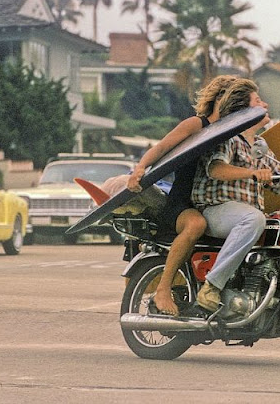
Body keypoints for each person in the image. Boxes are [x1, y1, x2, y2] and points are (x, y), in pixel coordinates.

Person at [102, 75, 238, 316]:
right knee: (196, 224)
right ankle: (163, 289)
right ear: (220, 99)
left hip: (215, 204)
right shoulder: (197, 124)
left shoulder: (233, 135)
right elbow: (162, 147)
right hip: (183, 204)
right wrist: (140, 169)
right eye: (236, 98)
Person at [191, 79, 280, 312]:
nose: (265, 105)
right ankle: (211, 287)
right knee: (254, 219)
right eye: (258, 101)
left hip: (241, 214)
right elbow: (216, 169)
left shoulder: (260, 146)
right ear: (244, 110)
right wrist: (252, 173)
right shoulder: (228, 137)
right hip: (215, 210)